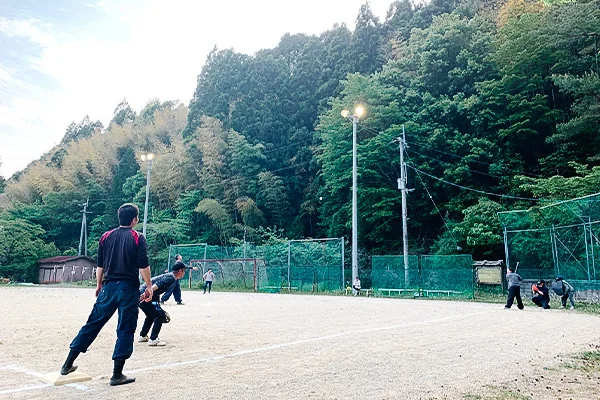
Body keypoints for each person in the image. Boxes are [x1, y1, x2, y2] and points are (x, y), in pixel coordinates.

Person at [60, 203, 153, 386]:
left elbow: (100, 265)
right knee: (125, 329)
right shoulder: (137, 238)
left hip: (108, 288)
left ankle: (67, 364)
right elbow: (143, 265)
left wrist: (98, 284)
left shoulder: (106, 237)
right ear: (135, 219)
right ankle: (117, 375)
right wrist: (149, 286)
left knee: (92, 324)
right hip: (128, 289)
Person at [138, 262, 187, 346]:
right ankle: (153, 339)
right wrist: (146, 294)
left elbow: (157, 290)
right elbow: (157, 284)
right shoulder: (171, 277)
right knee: (159, 316)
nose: (184, 272)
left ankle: (143, 335)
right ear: (180, 271)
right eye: (184, 270)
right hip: (145, 294)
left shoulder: (171, 276)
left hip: (143, 293)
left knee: (151, 315)